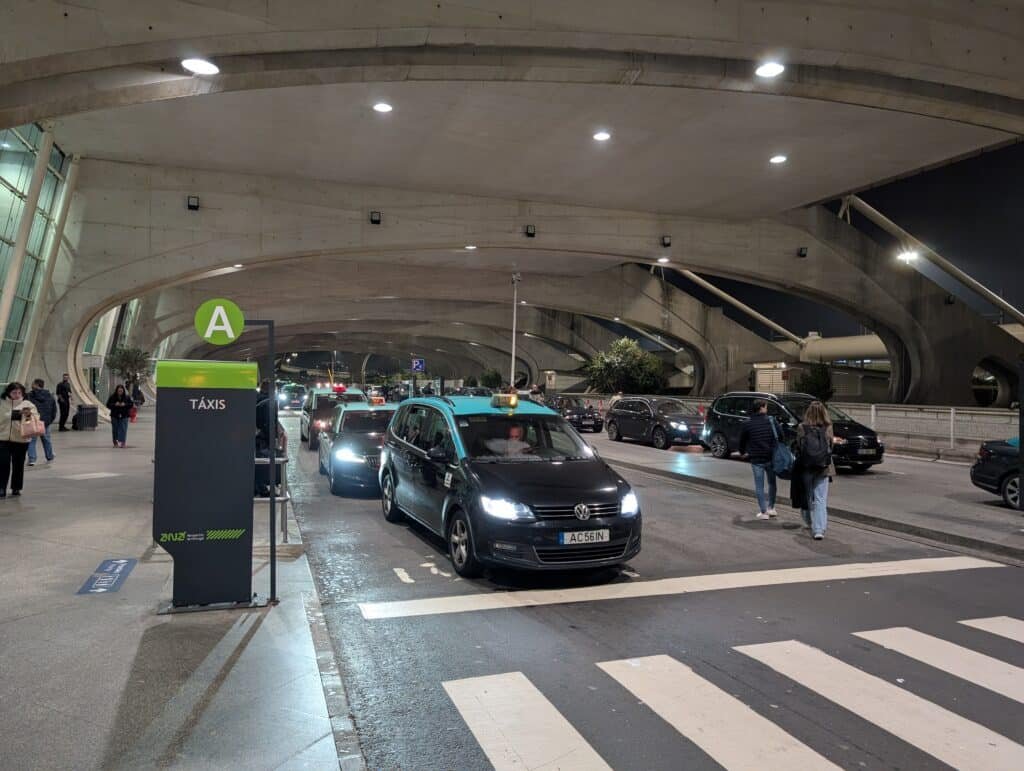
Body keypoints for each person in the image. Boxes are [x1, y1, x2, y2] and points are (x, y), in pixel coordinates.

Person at [794, 400, 836, 540]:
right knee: (820, 499)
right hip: (823, 468)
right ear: (824, 412)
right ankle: (818, 529)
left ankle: (808, 521)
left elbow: (799, 447)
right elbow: (831, 447)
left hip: (806, 467)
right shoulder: (828, 427)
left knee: (807, 496)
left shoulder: (802, 427)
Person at [738, 399, 778, 520]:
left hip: (756, 459)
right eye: (766, 407)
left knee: (759, 485)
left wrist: (742, 452)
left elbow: (742, 441)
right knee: (772, 483)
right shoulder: (771, 421)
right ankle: (771, 508)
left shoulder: (747, 423)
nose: (767, 409)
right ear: (761, 408)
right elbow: (781, 436)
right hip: (771, 457)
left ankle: (764, 512)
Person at [1, 382, 40, 498]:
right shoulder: (2, 403)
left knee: (18, 465)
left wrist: (27, 415)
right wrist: (9, 415)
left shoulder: (27, 404)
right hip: (3, 438)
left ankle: (16, 488)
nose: (17, 395)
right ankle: (1, 487)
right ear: (8, 392)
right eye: (14, 392)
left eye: (19, 392)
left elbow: (34, 419)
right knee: (3, 464)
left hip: (20, 439)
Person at [26, 378, 57, 466]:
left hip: (33, 422)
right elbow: (54, 410)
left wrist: (28, 421)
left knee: (31, 441)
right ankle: (49, 456)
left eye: (33, 383)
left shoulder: (29, 396)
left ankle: (32, 459)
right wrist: (49, 421)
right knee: (46, 440)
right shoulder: (50, 396)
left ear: (36, 385)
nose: (32, 385)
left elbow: (27, 410)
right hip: (45, 422)